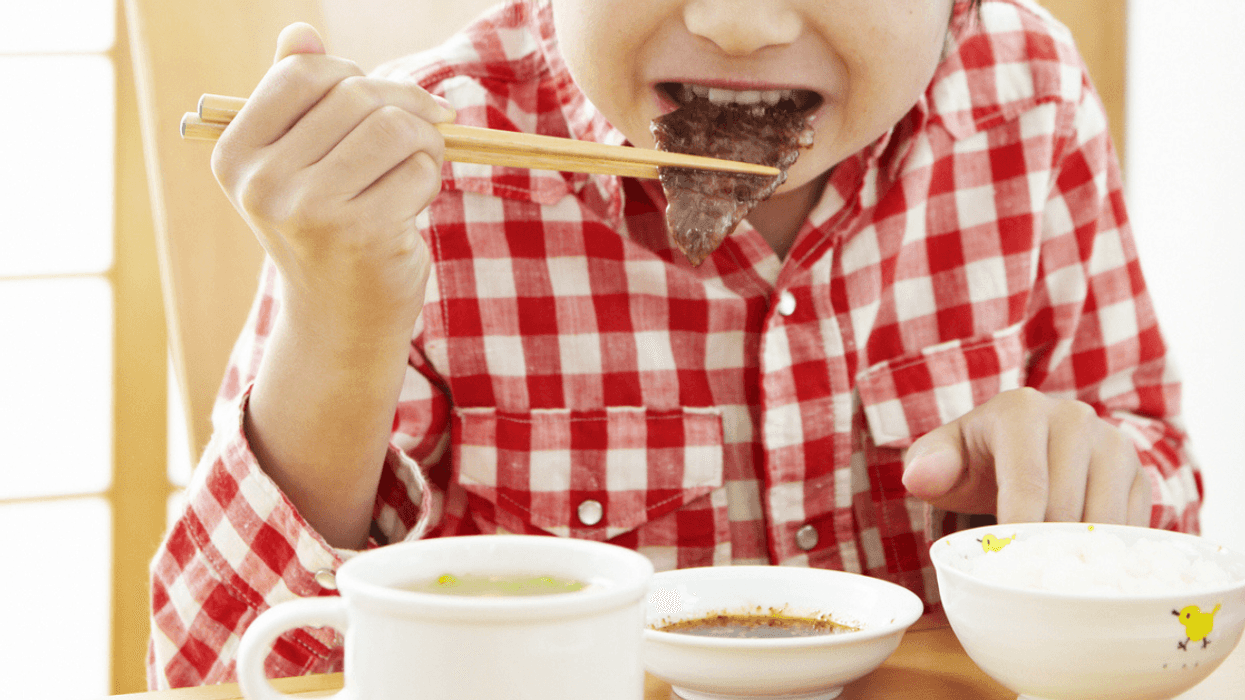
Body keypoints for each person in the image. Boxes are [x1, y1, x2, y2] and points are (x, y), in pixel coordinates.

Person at [148, 0, 1202, 689]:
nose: (737, 24)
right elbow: (205, 669)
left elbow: (1166, 524)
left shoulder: (1024, 96)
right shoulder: (426, 165)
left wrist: (1088, 479)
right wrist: (340, 318)